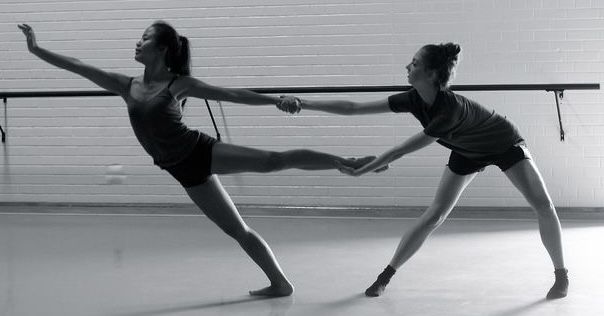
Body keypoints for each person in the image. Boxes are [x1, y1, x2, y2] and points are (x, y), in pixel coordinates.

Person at [17, 21, 377, 297]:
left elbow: (232, 94)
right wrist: (36, 49)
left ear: (160, 49)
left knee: (272, 160)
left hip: (198, 151)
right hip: (181, 171)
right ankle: (280, 284)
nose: (137, 42)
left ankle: (346, 162)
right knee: (238, 230)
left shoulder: (179, 84)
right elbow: (78, 66)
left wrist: (275, 100)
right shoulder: (127, 85)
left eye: (144, 38)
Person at [281, 43, 568, 300]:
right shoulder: (413, 98)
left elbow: (399, 151)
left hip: (503, 143)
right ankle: (386, 275)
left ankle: (561, 275)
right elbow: (354, 108)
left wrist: (361, 171)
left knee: (543, 205)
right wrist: (304, 103)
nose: (408, 66)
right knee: (435, 214)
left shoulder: (448, 111)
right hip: (467, 150)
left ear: (432, 74)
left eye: (415, 63)